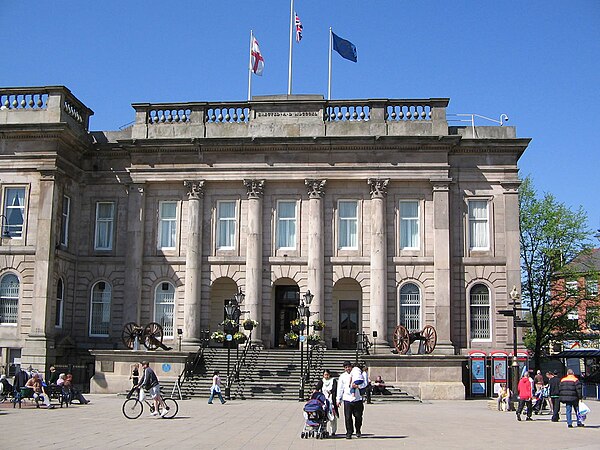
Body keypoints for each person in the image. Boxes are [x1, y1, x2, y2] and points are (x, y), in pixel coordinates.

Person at [336, 361, 365, 439]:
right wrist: (338, 399)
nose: (347, 369)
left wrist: (358, 386)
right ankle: (349, 432)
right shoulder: (342, 376)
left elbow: (364, 383)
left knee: (358, 416)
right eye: (346, 367)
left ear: (351, 367)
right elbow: (340, 388)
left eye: (348, 367)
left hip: (357, 399)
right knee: (348, 417)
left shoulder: (357, 374)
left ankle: (358, 430)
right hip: (347, 399)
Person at [314, 369, 339, 436]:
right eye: (325, 375)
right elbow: (317, 389)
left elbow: (335, 389)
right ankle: (323, 429)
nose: (326, 376)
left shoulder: (333, 380)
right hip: (323, 401)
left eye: (327, 374)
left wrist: (331, 392)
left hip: (331, 400)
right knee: (323, 416)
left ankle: (333, 431)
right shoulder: (321, 381)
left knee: (332, 416)